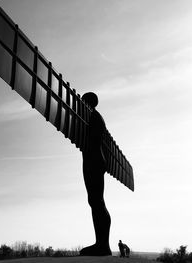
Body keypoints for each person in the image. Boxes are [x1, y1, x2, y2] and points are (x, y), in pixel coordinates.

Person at [79, 92, 111, 256]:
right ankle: (101, 243)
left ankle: (102, 245)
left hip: (94, 159)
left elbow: (94, 139)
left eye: (83, 100)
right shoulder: (96, 116)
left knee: (96, 201)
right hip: (95, 158)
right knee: (96, 201)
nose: (81, 102)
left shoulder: (93, 115)